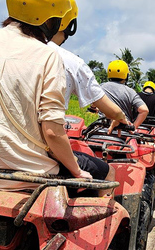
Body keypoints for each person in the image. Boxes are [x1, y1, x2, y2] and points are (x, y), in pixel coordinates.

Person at [0, 0, 106, 192]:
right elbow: (52, 132)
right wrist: (77, 171)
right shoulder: (48, 56)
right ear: (52, 21)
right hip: (29, 176)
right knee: (104, 172)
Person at [48, 0, 129, 194]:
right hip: (39, 157)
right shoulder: (67, 61)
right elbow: (115, 110)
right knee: (107, 172)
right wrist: (122, 119)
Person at [101, 60, 148, 132]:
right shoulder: (130, 92)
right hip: (123, 131)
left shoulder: (100, 87)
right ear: (126, 75)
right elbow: (144, 110)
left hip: (102, 129)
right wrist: (133, 127)